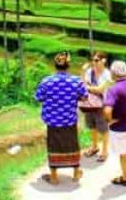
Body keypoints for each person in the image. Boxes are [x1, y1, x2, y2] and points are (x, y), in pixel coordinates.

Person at [34, 52, 87, 185]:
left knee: (54, 146)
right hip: (69, 120)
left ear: (55, 66)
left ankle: (54, 176)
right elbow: (84, 97)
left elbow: (39, 97)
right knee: (72, 144)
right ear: (68, 66)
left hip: (52, 121)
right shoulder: (76, 81)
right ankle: (75, 173)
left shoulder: (46, 81)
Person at [81, 51, 112, 162]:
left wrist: (88, 87)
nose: (94, 62)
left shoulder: (107, 74)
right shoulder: (89, 71)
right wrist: (83, 71)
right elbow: (82, 84)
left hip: (102, 104)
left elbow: (100, 89)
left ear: (103, 61)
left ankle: (105, 151)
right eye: (93, 60)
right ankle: (94, 146)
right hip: (90, 103)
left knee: (103, 129)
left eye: (96, 60)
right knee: (92, 126)